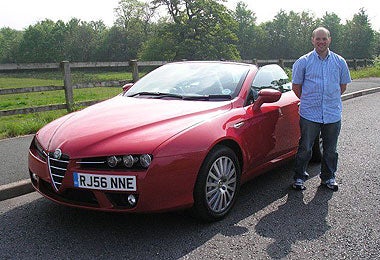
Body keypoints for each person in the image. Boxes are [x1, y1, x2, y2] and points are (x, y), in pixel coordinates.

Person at [291, 26, 351, 191]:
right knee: (305, 148)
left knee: (331, 150)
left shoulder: (339, 62)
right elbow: (296, 87)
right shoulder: (303, 62)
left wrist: (329, 99)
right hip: (309, 113)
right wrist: (309, 100)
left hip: (332, 113)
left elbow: (343, 86)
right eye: (318, 38)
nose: (321, 42)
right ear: (312, 40)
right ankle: (299, 178)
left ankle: (328, 178)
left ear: (329, 40)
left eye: (324, 38)